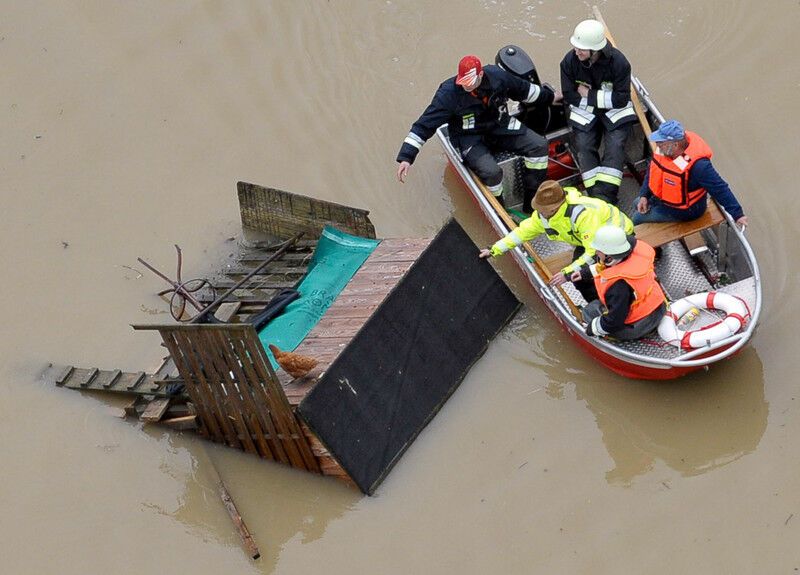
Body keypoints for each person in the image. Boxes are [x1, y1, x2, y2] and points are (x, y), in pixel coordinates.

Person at [397, 54, 561, 210]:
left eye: (470, 81)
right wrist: (407, 157)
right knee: (492, 173)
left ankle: (532, 202)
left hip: (500, 125)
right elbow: (424, 125)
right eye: (463, 81)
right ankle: (499, 209)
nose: (466, 85)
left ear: (481, 74)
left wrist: (551, 97)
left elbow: (526, 91)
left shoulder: (498, 77)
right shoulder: (448, 94)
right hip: (470, 138)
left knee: (539, 146)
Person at [478, 180, 633, 301]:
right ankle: (598, 304)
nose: (537, 212)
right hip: (594, 242)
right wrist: (494, 249)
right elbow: (522, 233)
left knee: (583, 277)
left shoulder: (583, 215)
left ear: (552, 209)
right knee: (579, 278)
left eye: (540, 209)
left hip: (619, 240)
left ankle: (607, 308)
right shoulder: (545, 215)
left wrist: (566, 273)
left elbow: (593, 252)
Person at [560, 19, 637, 206]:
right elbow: (570, 95)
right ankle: (595, 196)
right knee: (584, 146)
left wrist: (590, 95)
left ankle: (607, 195)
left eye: (582, 49)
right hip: (586, 111)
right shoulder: (569, 62)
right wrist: (597, 100)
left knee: (615, 146)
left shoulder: (619, 63)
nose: (577, 52)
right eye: (576, 47)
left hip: (615, 111)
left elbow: (621, 99)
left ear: (595, 50)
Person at [634, 120, 749, 227]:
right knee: (637, 202)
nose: (657, 144)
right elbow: (653, 171)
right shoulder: (665, 150)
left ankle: (654, 248)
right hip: (662, 198)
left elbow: (719, 188)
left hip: (685, 211)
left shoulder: (699, 167)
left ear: (675, 145)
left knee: (637, 218)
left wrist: (738, 214)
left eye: (661, 142)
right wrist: (644, 195)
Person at [570, 225, 666, 340]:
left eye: (599, 250)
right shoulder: (631, 255)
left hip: (637, 326)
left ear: (609, 256)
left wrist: (592, 329)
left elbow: (614, 321)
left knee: (589, 312)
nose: (596, 252)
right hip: (658, 307)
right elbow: (607, 267)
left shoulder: (618, 287)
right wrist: (585, 273)